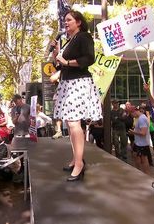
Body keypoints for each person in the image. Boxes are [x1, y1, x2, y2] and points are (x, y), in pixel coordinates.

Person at [50, 10, 101, 181]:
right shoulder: (68, 41)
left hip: (78, 83)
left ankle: (79, 163)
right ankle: (76, 159)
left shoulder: (84, 37)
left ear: (78, 22)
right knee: (70, 124)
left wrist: (67, 62)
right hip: (68, 82)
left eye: (69, 20)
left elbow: (89, 58)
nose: (66, 23)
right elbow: (60, 65)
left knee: (74, 123)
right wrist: (56, 56)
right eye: (65, 20)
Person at [128, 105, 150, 174]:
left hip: (142, 144)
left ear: (133, 112)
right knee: (136, 156)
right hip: (138, 143)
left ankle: (146, 174)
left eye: (131, 114)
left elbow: (143, 132)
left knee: (144, 159)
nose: (132, 116)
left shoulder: (142, 119)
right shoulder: (139, 118)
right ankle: (139, 172)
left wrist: (133, 132)